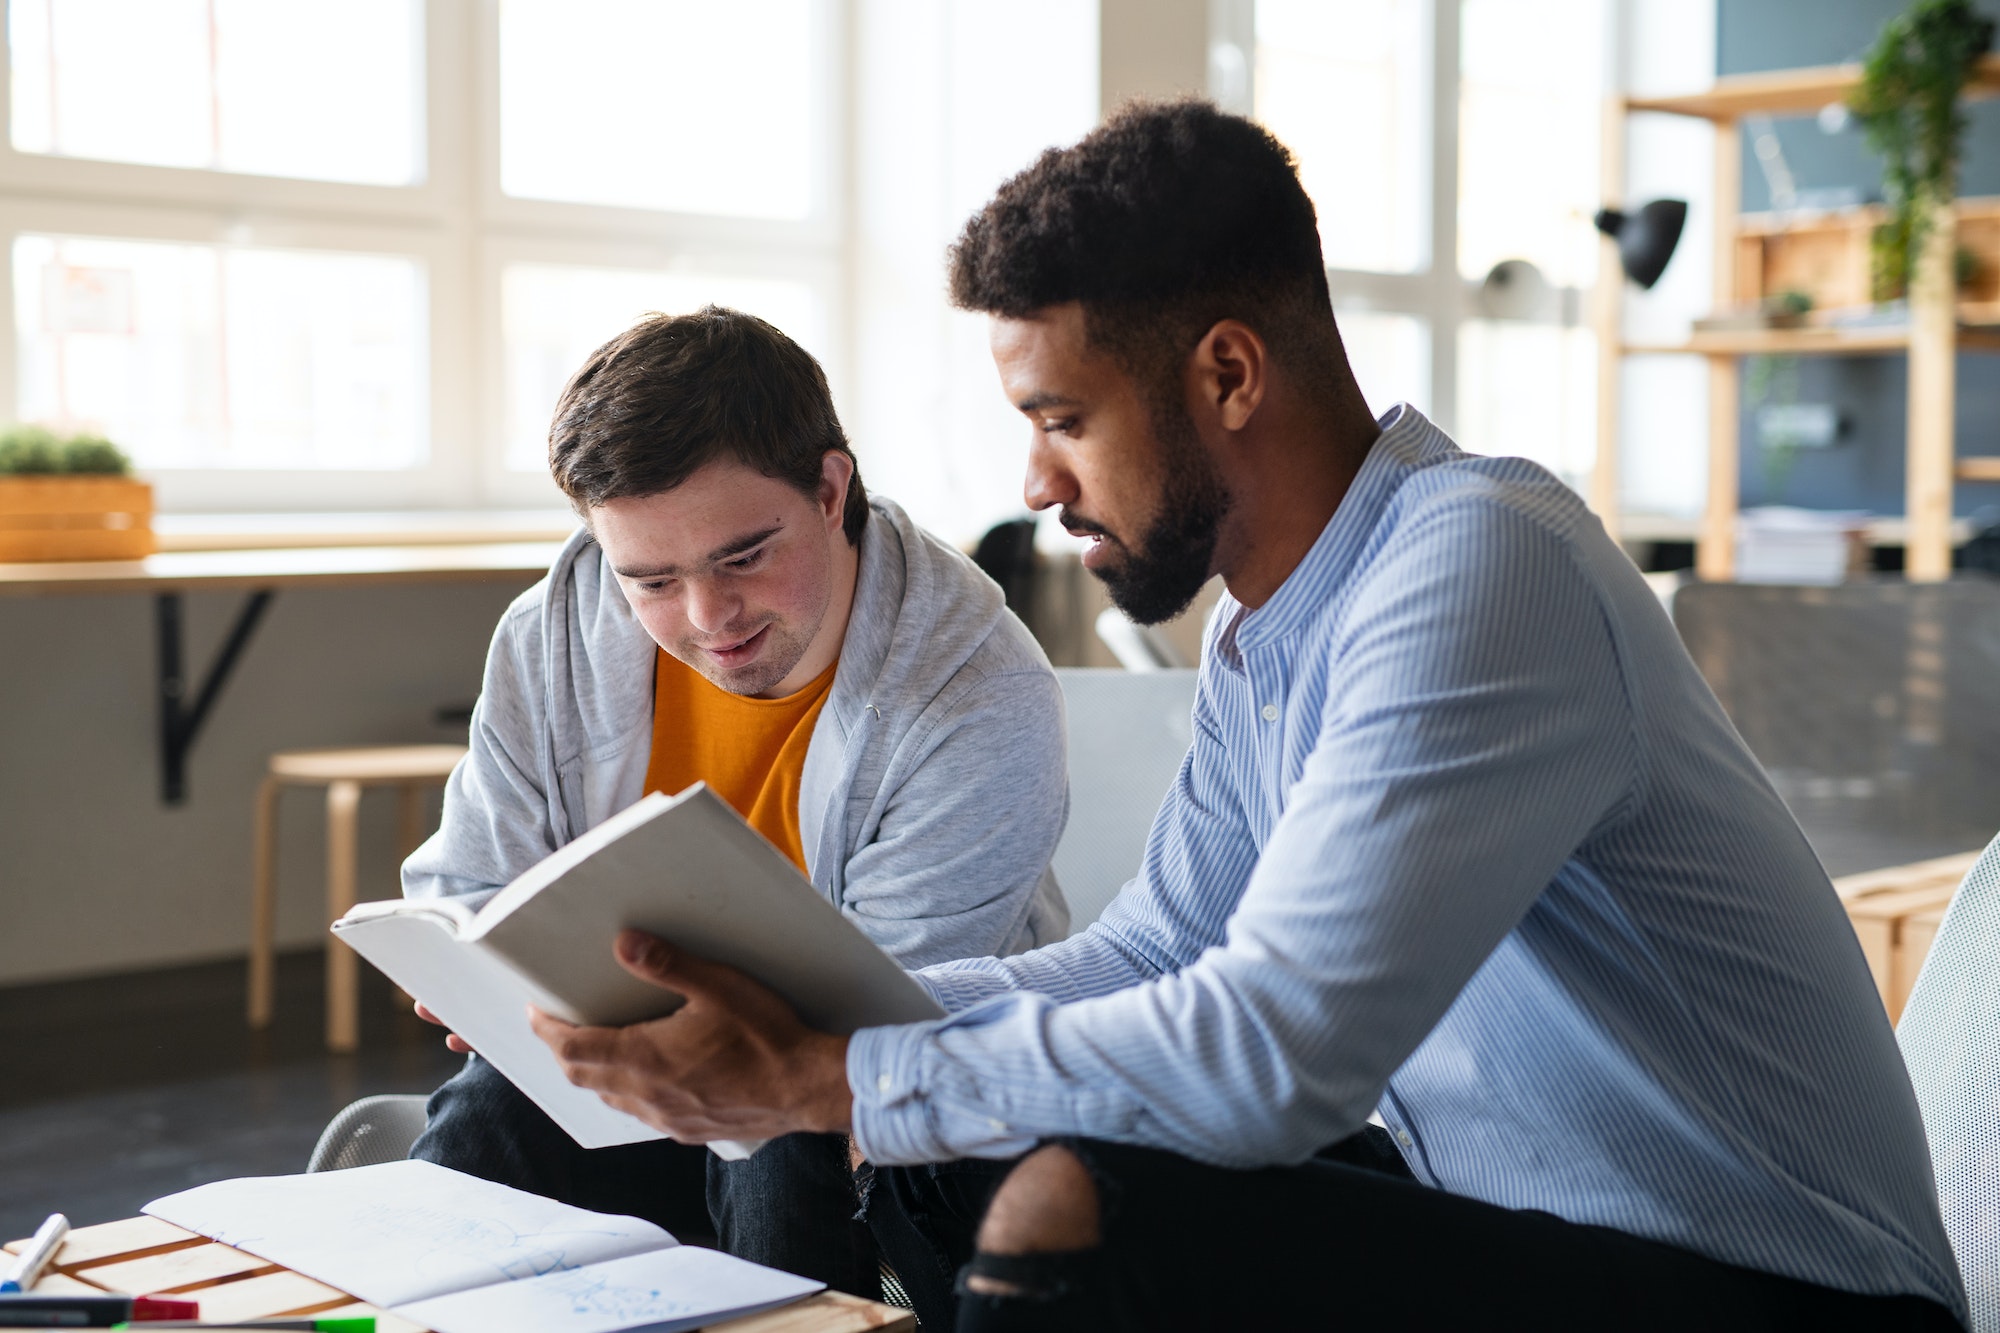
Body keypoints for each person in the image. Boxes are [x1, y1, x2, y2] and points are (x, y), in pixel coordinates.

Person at [525, 103, 1968, 1332]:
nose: (1035, 478)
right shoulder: (1265, 631)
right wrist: (820, 1014)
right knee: (943, 1148)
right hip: (1521, 1228)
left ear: (1227, 372)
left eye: (1064, 418)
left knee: (1088, 1204)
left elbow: (1279, 1043)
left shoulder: (1479, 560)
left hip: (1780, 1290)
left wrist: (838, 1069)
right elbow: (1163, 945)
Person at [401, 306, 1070, 1301]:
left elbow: (879, 1022)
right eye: (653, 579)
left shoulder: (976, 682)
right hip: (631, 1079)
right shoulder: (550, 631)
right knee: (490, 1109)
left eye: (743, 556)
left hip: (868, 1122)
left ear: (830, 489)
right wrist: (475, 969)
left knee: (780, 1128)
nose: (710, 621)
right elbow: (467, 876)